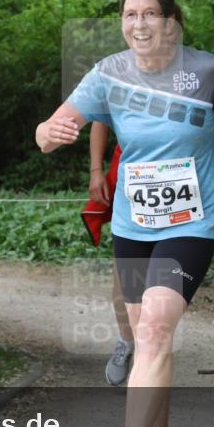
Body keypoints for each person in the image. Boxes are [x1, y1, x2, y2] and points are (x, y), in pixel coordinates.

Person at [35, 0, 214, 427]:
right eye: (129, 15)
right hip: (133, 227)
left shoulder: (206, 71)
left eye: (149, 14)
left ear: (170, 20)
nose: (139, 24)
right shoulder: (107, 75)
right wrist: (51, 134)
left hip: (191, 224)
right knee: (147, 341)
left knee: (158, 325)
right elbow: (48, 131)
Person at [80, 124, 133, 386]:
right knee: (124, 277)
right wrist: (96, 170)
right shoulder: (117, 81)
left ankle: (153, 351)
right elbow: (100, 120)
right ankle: (126, 341)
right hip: (129, 173)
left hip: (175, 173)